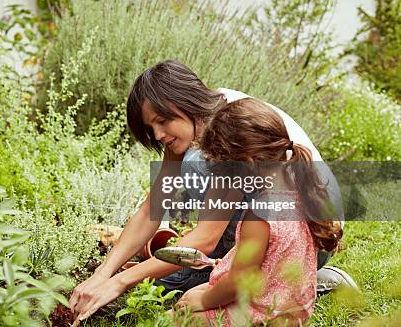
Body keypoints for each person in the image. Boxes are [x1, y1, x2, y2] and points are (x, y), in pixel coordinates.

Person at [69, 60, 356, 323]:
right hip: (293, 233)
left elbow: (206, 239)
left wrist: (121, 281)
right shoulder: (200, 117)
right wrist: (102, 274)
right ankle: (282, 282)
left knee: (194, 169)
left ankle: (300, 281)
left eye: (162, 120)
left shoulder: (230, 133)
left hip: (311, 239)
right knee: (166, 284)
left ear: (184, 102)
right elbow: (152, 209)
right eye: (150, 127)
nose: (157, 135)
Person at [167, 97, 342, 326]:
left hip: (263, 315)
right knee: (193, 295)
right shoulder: (297, 189)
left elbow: (238, 281)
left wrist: (203, 301)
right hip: (291, 308)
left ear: (246, 163)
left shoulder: (259, 216)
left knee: (175, 318)